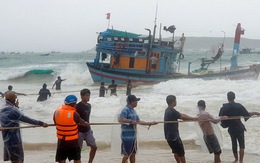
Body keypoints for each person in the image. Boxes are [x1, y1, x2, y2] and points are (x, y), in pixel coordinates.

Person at [0, 92, 48, 163]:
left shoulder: (2, 110)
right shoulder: (14, 110)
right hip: (15, 139)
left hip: (6, 139)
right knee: (19, 159)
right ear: (13, 100)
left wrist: (16, 107)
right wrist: (41, 123)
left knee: (13, 159)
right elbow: (26, 119)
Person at [218, 91, 260, 162]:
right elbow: (246, 115)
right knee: (241, 145)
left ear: (228, 98)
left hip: (231, 128)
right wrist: (254, 113)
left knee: (234, 144)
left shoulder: (224, 107)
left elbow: (220, 117)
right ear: (234, 97)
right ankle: (241, 161)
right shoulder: (239, 106)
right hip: (239, 127)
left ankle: (236, 159)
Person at [118, 95, 157, 163]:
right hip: (126, 137)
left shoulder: (133, 111)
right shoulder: (125, 110)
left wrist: (150, 123)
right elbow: (120, 119)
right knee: (127, 155)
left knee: (133, 154)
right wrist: (130, 121)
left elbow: (139, 121)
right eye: (136, 101)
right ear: (132, 102)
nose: (137, 103)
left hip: (133, 136)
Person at [53, 94, 90, 163]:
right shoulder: (75, 114)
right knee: (76, 158)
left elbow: (55, 123)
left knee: (62, 159)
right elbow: (82, 123)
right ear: (74, 104)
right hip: (72, 140)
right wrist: (86, 124)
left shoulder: (56, 112)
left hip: (61, 140)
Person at [164, 95, 197, 163]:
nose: (176, 102)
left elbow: (181, 114)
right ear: (173, 102)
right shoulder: (172, 111)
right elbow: (182, 117)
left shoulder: (168, 110)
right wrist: (193, 118)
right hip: (174, 136)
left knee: (175, 151)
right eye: (175, 101)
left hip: (168, 136)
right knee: (181, 152)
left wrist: (192, 118)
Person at [76, 89, 97, 163]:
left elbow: (87, 117)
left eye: (89, 95)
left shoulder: (89, 106)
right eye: (86, 95)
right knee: (78, 150)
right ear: (81, 96)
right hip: (79, 131)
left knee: (94, 147)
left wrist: (87, 124)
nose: (88, 97)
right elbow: (75, 119)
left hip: (88, 130)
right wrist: (81, 123)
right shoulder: (77, 106)